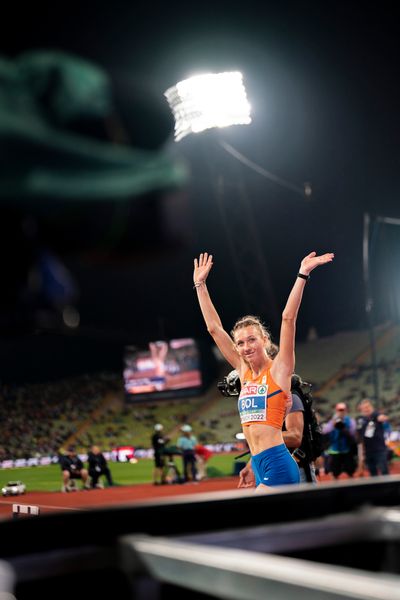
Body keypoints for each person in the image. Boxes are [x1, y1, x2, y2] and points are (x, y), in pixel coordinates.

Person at [193, 250, 334, 491]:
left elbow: (288, 318)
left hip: (278, 463)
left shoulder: (280, 370)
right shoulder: (243, 371)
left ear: (265, 340)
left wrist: (302, 274)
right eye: (240, 343)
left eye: (251, 340)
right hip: (259, 464)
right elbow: (214, 328)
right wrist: (200, 284)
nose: (245, 347)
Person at [356, 398, 391, 477]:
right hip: (368, 451)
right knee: (372, 473)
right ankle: (376, 489)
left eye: (368, 407)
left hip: (379, 450)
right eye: (364, 407)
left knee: (384, 471)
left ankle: (389, 488)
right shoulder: (360, 420)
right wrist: (361, 456)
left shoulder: (376, 415)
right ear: (361, 409)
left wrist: (383, 418)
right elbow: (360, 438)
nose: (366, 409)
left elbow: (381, 417)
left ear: (372, 407)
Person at [322, 402, 357, 479]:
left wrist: (343, 428)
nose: (341, 412)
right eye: (339, 410)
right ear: (336, 410)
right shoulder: (332, 421)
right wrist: (333, 425)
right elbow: (325, 431)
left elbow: (352, 433)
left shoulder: (350, 421)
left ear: (346, 410)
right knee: (335, 472)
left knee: (350, 471)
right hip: (335, 450)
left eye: (343, 410)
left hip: (347, 450)